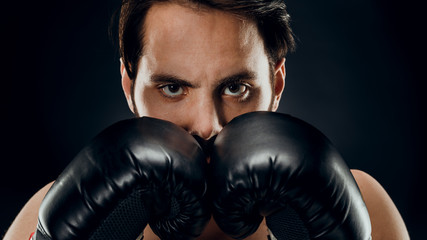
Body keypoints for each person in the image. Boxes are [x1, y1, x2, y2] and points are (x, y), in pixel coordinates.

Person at [4, 0, 409, 239]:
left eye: (236, 88)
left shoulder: (364, 206)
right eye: (173, 88)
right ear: (128, 84)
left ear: (277, 82)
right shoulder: (52, 211)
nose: (207, 125)